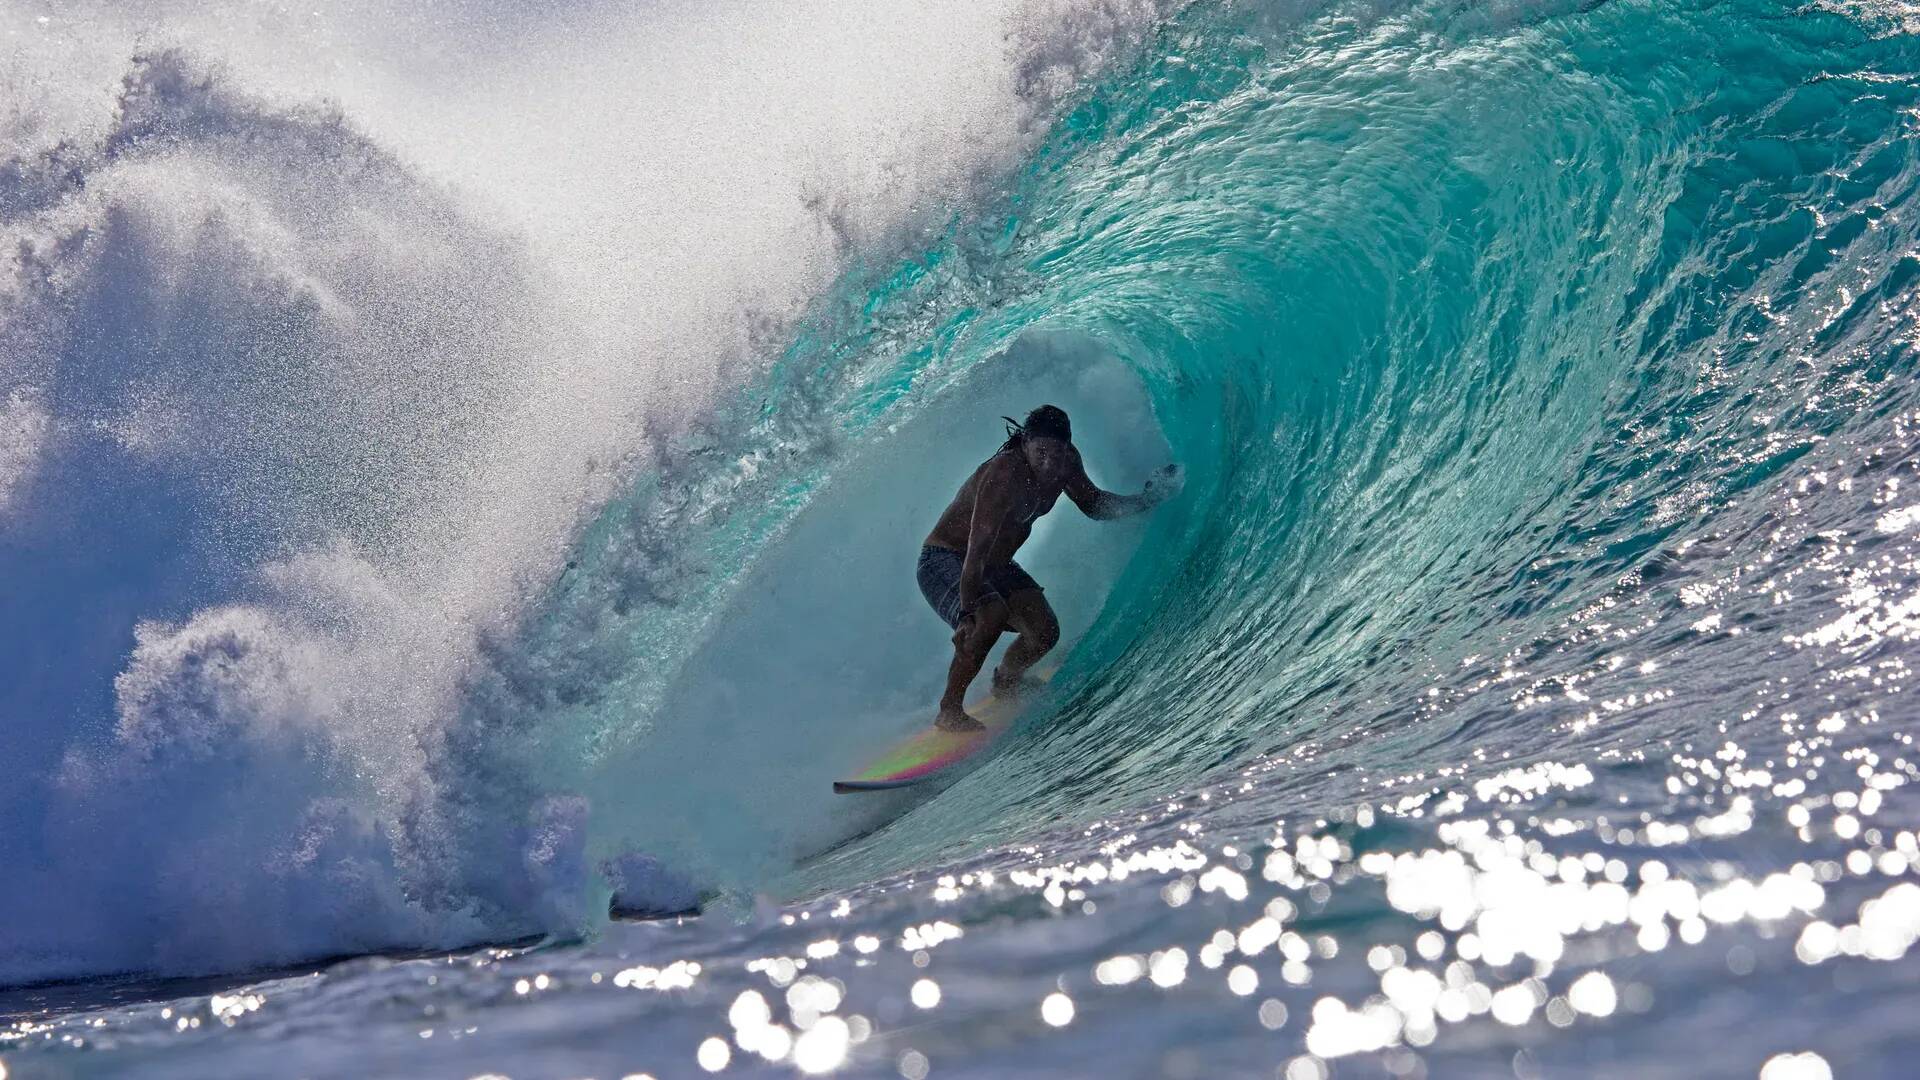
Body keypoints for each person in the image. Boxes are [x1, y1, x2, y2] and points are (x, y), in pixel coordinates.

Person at [917, 404, 1180, 731]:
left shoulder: (1066, 465)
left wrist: (1143, 501)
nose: (1049, 462)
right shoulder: (1002, 476)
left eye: (1058, 452)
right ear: (1025, 443)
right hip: (947, 559)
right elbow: (976, 551)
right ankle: (949, 711)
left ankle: (1006, 682)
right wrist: (966, 614)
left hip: (995, 565)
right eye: (1041, 452)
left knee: (1043, 632)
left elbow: (1094, 506)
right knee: (989, 616)